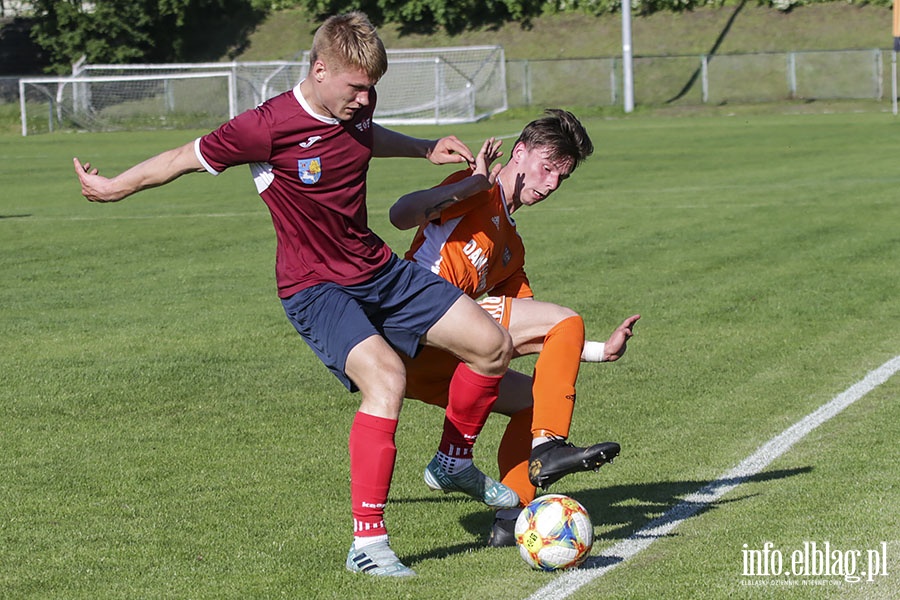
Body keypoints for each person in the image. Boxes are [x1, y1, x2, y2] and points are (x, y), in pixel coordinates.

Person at [73, 12, 522, 578]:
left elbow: (365, 136)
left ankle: (453, 461)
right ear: (319, 69)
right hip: (315, 286)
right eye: (357, 87)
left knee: (490, 344)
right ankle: (369, 544)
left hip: (377, 268)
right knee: (386, 379)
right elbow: (180, 160)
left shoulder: (358, 106)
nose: (366, 99)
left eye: (372, 89)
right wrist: (113, 186)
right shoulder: (264, 126)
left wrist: (423, 148)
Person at [389, 109, 640, 546]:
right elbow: (400, 213)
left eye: (560, 178)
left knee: (531, 400)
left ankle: (514, 517)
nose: (549, 185)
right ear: (518, 153)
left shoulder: (512, 248)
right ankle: (549, 447)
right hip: (415, 323)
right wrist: (472, 183)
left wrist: (601, 350)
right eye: (546, 169)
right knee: (566, 319)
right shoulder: (476, 191)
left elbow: (536, 332)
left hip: (438, 361)